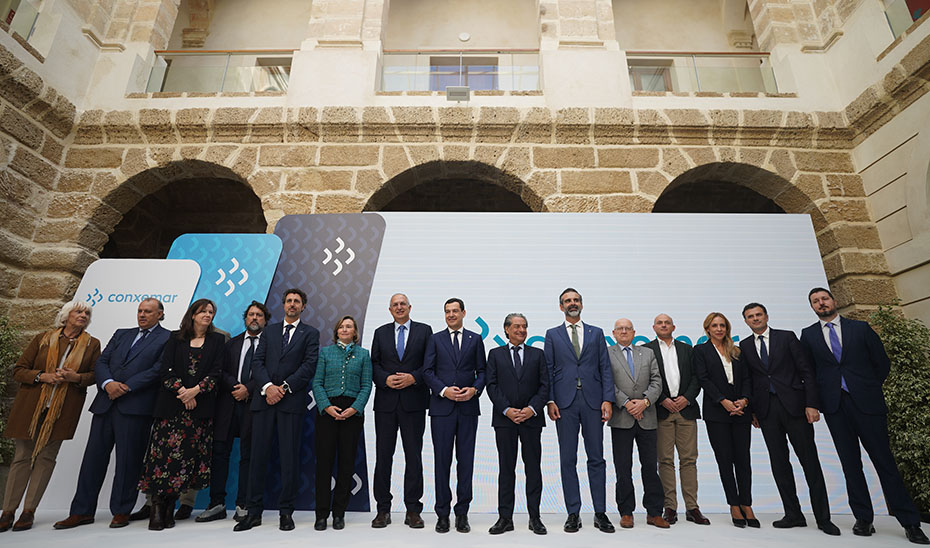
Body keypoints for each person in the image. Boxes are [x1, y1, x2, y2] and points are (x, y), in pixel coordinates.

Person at [801, 287, 929, 544]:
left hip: (867, 405)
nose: (821, 303)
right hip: (835, 408)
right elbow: (810, 373)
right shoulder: (808, 335)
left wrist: (866, 387)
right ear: (812, 307)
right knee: (850, 465)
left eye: (824, 299)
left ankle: (910, 522)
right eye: (815, 301)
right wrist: (815, 402)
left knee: (885, 463)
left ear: (834, 301)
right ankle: (863, 518)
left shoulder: (860, 329)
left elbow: (881, 363)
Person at [54, 298, 169, 530]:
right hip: (106, 404)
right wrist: (107, 383)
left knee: (128, 462)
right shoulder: (122, 333)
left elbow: (158, 370)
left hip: (135, 407)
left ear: (160, 314)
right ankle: (82, 511)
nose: (142, 315)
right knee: (92, 461)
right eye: (139, 311)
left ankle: (121, 511)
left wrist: (125, 387)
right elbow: (102, 361)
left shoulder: (168, 338)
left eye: (148, 311)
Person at [739, 302, 839, 535]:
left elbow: (806, 371)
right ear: (745, 321)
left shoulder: (787, 337)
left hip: (795, 407)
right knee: (779, 464)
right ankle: (793, 514)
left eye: (758, 315)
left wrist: (812, 403)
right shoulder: (744, 346)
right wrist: (753, 411)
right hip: (766, 412)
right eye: (750, 317)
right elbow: (750, 381)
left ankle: (823, 518)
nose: (755, 319)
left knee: (810, 462)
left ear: (766, 316)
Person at [0, 301, 100, 533]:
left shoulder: (92, 344)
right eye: (79, 311)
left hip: (63, 410)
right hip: (31, 407)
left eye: (87, 313)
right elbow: (19, 370)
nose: (83, 315)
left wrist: (75, 377)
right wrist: (41, 377)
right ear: (66, 316)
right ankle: (7, 512)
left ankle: (29, 511)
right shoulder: (43, 338)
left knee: (46, 458)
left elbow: (94, 375)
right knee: (22, 457)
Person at [235, 288, 319, 533]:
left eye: (297, 302)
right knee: (256, 457)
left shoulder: (310, 333)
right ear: (283, 305)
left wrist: (282, 388)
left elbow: (309, 366)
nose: (292, 305)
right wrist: (269, 387)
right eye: (289, 301)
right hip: (263, 402)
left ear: (303, 307)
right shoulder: (268, 331)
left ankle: (285, 512)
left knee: (289, 459)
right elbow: (257, 362)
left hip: (290, 403)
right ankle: (253, 512)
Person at [137, 298, 223, 531]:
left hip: (198, 413)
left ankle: (170, 507)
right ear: (192, 315)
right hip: (171, 411)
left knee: (185, 462)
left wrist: (196, 391)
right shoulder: (175, 338)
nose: (207, 315)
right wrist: (183, 392)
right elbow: (165, 370)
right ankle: (157, 507)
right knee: (162, 460)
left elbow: (216, 372)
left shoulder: (217, 340)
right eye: (203, 311)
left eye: (211, 312)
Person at [544, 288, 615, 534]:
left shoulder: (596, 333)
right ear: (561, 307)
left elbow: (605, 367)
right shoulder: (552, 335)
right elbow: (549, 370)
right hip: (564, 403)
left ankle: (600, 512)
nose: (572, 303)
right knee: (568, 459)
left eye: (575, 300)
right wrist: (550, 401)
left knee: (597, 458)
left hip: (593, 402)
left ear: (582, 305)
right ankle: (573, 513)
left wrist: (608, 399)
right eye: (567, 301)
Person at [195, 301, 269, 523]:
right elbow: (219, 370)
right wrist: (236, 387)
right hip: (227, 405)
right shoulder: (230, 343)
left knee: (248, 455)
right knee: (219, 454)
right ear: (245, 318)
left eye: (259, 315)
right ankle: (216, 504)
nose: (254, 318)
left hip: (254, 406)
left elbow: (271, 371)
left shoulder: (270, 345)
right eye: (250, 315)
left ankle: (243, 504)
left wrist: (249, 388)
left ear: (265, 320)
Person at [423, 298, 486, 534]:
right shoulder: (435, 339)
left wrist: (474, 390)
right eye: (447, 312)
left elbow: (483, 371)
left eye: (455, 311)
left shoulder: (475, 339)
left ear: (463, 313)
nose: (451, 315)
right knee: (442, 462)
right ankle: (442, 514)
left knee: (466, 462)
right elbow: (427, 371)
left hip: (468, 409)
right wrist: (443, 390)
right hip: (442, 408)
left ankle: (462, 514)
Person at [370, 293, 432, 529]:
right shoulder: (380, 332)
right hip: (386, 404)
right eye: (395, 304)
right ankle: (382, 510)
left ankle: (413, 510)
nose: (399, 307)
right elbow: (373, 364)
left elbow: (429, 363)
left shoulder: (425, 331)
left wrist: (413, 378)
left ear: (410, 307)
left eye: (402, 304)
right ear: (389, 309)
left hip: (414, 403)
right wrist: (385, 379)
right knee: (384, 457)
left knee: (413, 457)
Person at [642, 314, 710, 525]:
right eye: (660, 323)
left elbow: (697, 378)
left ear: (674, 326)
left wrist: (687, 398)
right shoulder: (646, 350)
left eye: (667, 322)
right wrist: (662, 400)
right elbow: (645, 380)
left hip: (685, 411)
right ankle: (669, 507)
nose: (663, 325)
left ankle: (692, 507)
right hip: (661, 412)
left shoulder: (687, 349)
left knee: (689, 460)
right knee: (665, 461)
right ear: (654, 327)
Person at [485, 313, 549, 535]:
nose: (521, 330)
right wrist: (507, 410)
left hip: (531, 420)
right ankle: (505, 518)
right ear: (506, 329)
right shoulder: (494, 354)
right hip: (505, 421)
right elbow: (491, 386)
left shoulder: (538, 355)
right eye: (517, 327)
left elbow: (544, 386)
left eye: (524, 327)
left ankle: (535, 517)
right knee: (506, 469)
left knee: (533, 469)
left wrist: (531, 409)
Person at [693, 312, 756, 528]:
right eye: (714, 325)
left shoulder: (737, 351)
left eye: (722, 325)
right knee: (725, 459)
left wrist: (744, 401)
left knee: (743, 460)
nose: (719, 329)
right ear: (707, 329)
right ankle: (734, 505)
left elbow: (747, 378)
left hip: (741, 411)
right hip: (717, 412)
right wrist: (723, 401)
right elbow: (703, 379)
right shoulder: (700, 351)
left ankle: (747, 504)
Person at [312, 316, 373, 531]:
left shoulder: (364, 354)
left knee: (346, 465)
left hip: (352, 413)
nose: (345, 329)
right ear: (337, 331)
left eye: (349, 326)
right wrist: (327, 407)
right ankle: (321, 515)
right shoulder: (326, 353)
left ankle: (339, 514)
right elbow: (317, 383)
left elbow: (366, 385)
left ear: (355, 332)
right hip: (327, 412)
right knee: (324, 465)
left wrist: (354, 408)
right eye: (342, 326)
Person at [607, 319, 666, 529]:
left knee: (650, 467)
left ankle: (654, 512)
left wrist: (644, 402)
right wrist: (626, 403)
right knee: (623, 468)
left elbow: (657, 381)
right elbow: (607, 382)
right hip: (621, 418)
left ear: (634, 332)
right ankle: (626, 512)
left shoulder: (647, 353)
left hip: (647, 418)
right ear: (614, 333)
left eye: (628, 328)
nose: (624, 331)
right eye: (620, 328)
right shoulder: (607, 353)